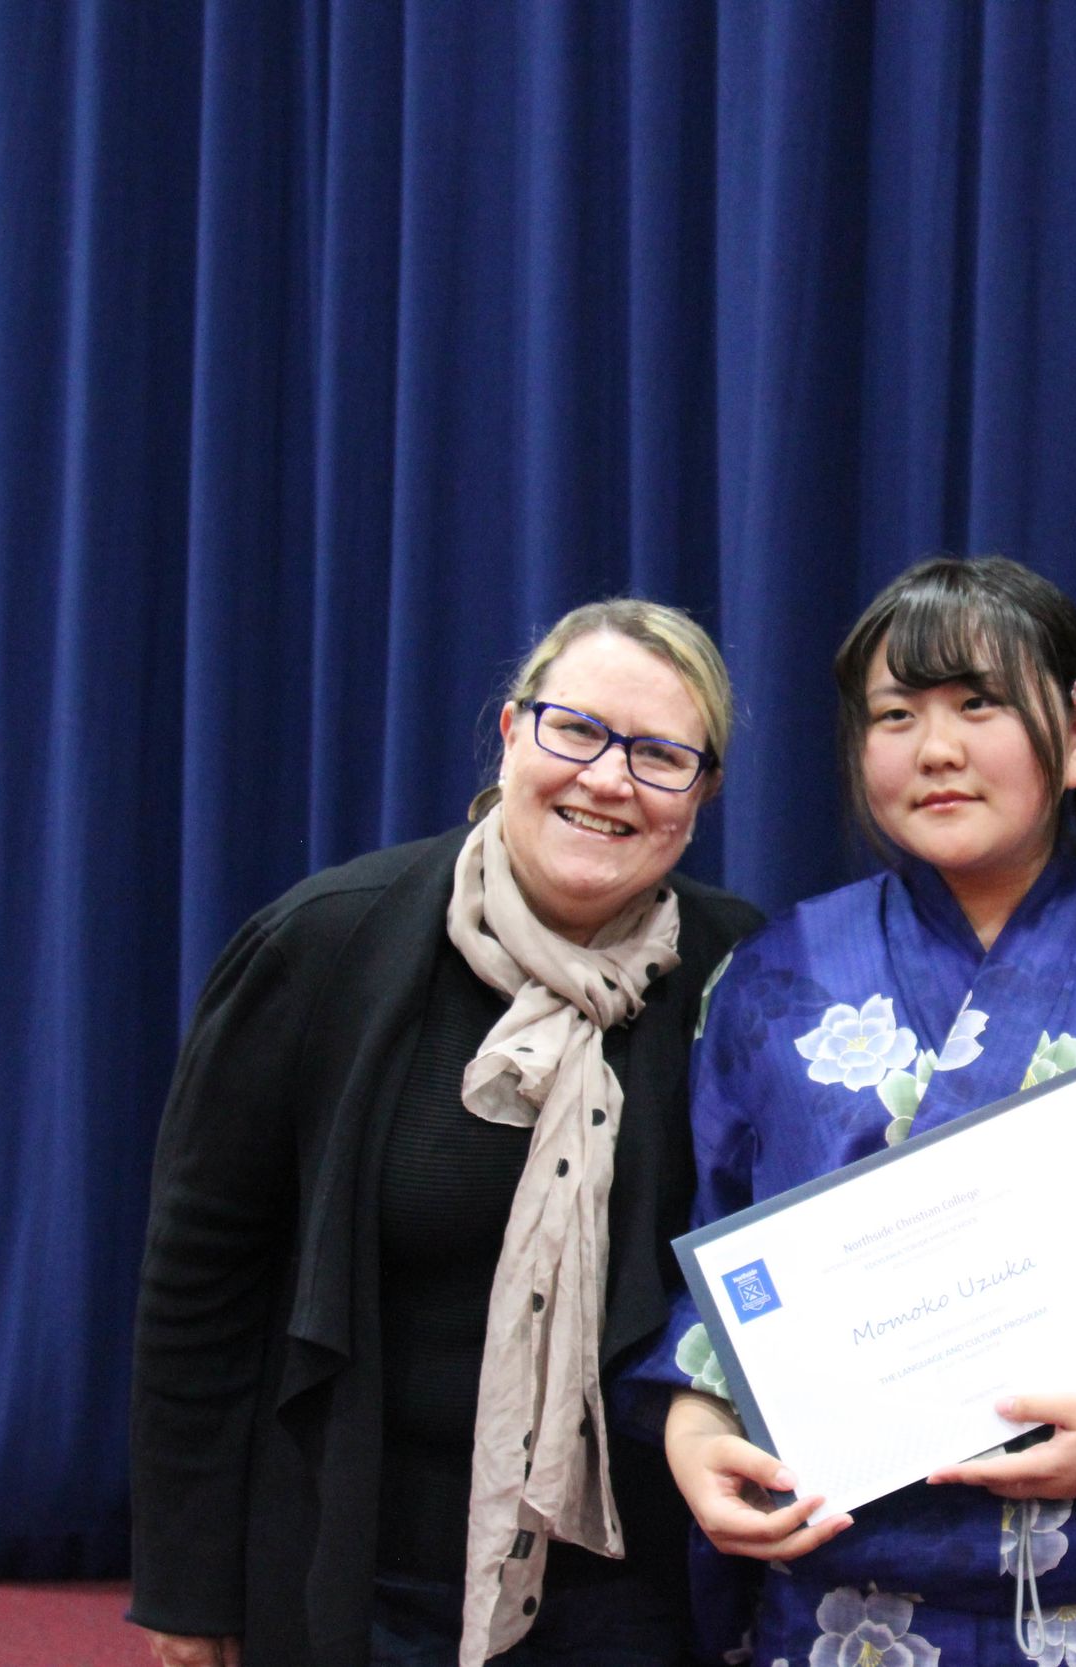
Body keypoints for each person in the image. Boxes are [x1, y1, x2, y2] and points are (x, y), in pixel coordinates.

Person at [653, 557, 1076, 1666]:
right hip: (846, 1597)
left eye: (978, 703)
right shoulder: (770, 979)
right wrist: (694, 1429)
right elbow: (714, 1273)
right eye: (895, 714)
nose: (935, 748)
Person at [130, 600, 764, 1667]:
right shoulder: (325, 945)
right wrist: (187, 1584)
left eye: (660, 755)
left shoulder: (742, 974)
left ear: (700, 795)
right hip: (366, 1572)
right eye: (577, 730)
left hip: (636, 1590)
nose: (608, 778)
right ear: (512, 733)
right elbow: (200, 1279)